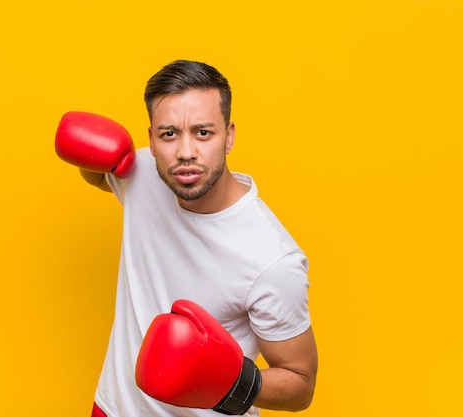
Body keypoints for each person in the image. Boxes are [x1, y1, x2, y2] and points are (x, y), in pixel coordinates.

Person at [55, 60, 318, 417]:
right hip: (112, 409)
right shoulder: (143, 171)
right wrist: (95, 155)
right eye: (169, 134)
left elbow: (300, 385)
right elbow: (103, 178)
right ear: (151, 138)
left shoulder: (272, 259)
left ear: (229, 135)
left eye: (203, 133)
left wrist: (231, 381)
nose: (185, 152)